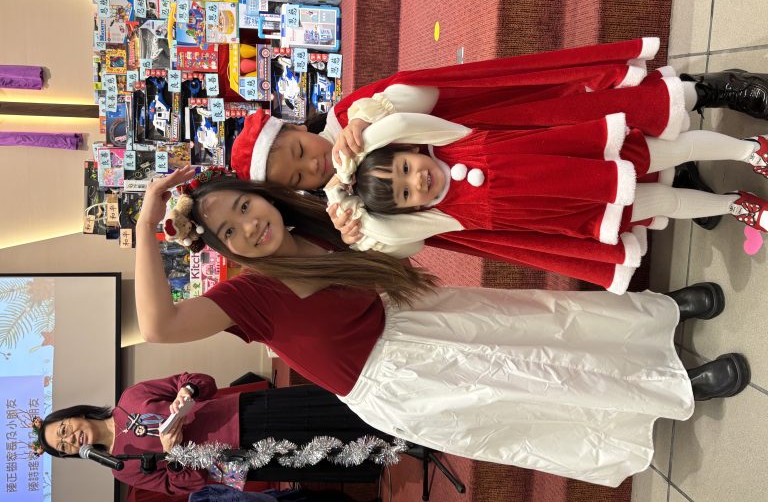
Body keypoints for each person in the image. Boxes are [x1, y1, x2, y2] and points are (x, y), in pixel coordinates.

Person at [134, 166, 750, 488]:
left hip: (414, 316)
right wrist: (145, 225)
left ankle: (658, 317)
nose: (249, 226)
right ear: (226, 249)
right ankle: (674, 389)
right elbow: (159, 324)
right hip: (403, 381)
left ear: (260, 196)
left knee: (545, 323)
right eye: (231, 231)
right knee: (537, 383)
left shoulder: (315, 221)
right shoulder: (246, 297)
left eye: (245, 205)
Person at [228, 37, 768, 241]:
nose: (313, 166)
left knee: (612, 110)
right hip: (514, 191)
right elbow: (411, 237)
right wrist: (358, 229)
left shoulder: (350, 114)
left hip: (512, 123)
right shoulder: (345, 203)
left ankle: (715, 89)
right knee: (630, 180)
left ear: (295, 127)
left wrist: (367, 120)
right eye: (298, 177)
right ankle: (698, 185)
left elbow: (423, 93)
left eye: (299, 152)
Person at [321, 110, 768, 293]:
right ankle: (734, 204)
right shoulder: (442, 218)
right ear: (411, 210)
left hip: (588, 157)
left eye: (404, 167)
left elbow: (398, 122)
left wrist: (351, 156)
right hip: (583, 208)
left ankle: (750, 150)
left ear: (407, 150)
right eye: (405, 193)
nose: (415, 180)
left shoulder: (448, 139)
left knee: (673, 151)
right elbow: (392, 240)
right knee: (665, 201)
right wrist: (346, 208)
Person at [36, 372, 401, 496]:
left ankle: (396, 413)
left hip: (239, 412)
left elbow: (198, 380)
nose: (71, 439)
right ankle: (398, 453)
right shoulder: (122, 468)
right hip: (232, 461)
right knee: (319, 454)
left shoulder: (131, 398)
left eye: (64, 430)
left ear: (75, 415)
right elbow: (184, 487)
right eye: (64, 446)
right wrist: (174, 453)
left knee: (322, 413)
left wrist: (187, 392)